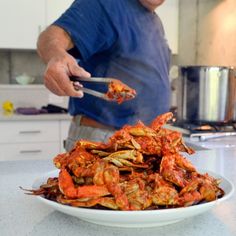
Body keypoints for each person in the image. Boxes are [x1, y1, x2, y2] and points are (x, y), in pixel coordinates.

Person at [37, 0, 171, 151]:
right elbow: (53, 35)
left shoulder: (154, 20)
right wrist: (57, 56)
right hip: (104, 138)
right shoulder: (105, 4)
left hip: (144, 140)